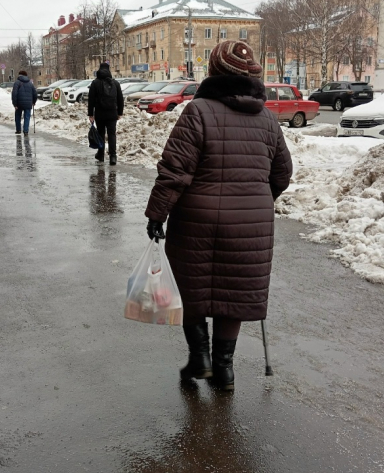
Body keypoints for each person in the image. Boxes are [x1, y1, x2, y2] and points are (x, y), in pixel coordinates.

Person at [144, 41, 293, 391]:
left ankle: (201, 359)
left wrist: (157, 214)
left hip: (197, 223)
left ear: (213, 72)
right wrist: (255, 199)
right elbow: (282, 174)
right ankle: (224, 370)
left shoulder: (198, 112)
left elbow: (174, 171)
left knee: (192, 291)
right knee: (233, 297)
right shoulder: (268, 121)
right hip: (249, 229)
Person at [87, 62, 123, 165]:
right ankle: (113, 157)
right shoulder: (115, 83)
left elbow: (91, 100)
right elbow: (120, 99)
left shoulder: (95, 83)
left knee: (101, 134)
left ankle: (101, 155)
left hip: (100, 113)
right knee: (112, 134)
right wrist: (119, 112)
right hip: (112, 113)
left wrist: (91, 114)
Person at [11, 70, 37, 135]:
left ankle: (18, 130)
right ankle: (25, 131)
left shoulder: (17, 83)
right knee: (27, 117)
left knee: (18, 116)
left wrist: (15, 104)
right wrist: (34, 101)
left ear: (19, 75)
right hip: (28, 103)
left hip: (19, 103)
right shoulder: (30, 83)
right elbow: (35, 93)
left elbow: (14, 94)